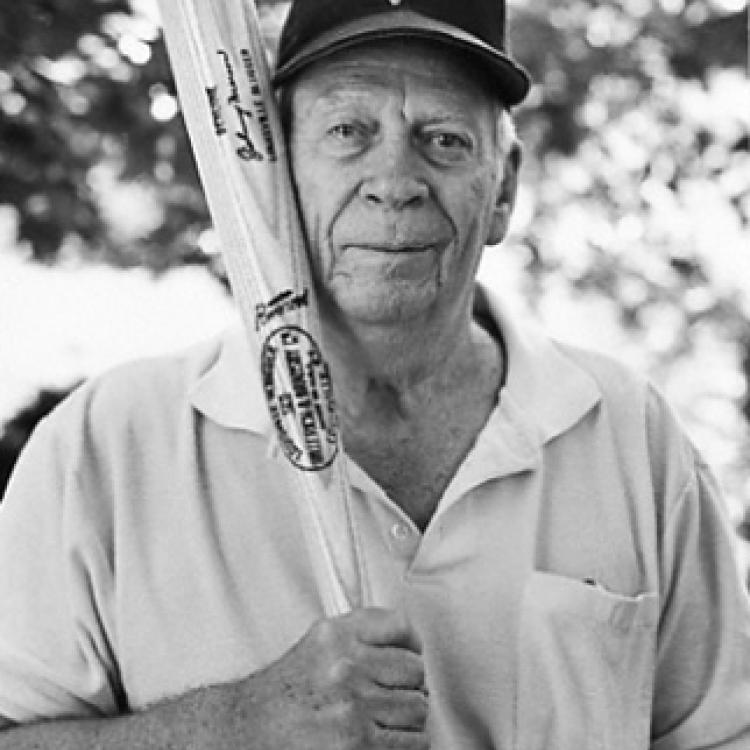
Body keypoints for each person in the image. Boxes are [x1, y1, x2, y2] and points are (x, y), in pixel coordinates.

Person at [1, 0, 749, 747]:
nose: (395, 180)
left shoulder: (629, 437)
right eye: (348, 132)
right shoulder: (105, 449)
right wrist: (237, 724)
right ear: (271, 177)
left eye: (445, 139)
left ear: (504, 189)